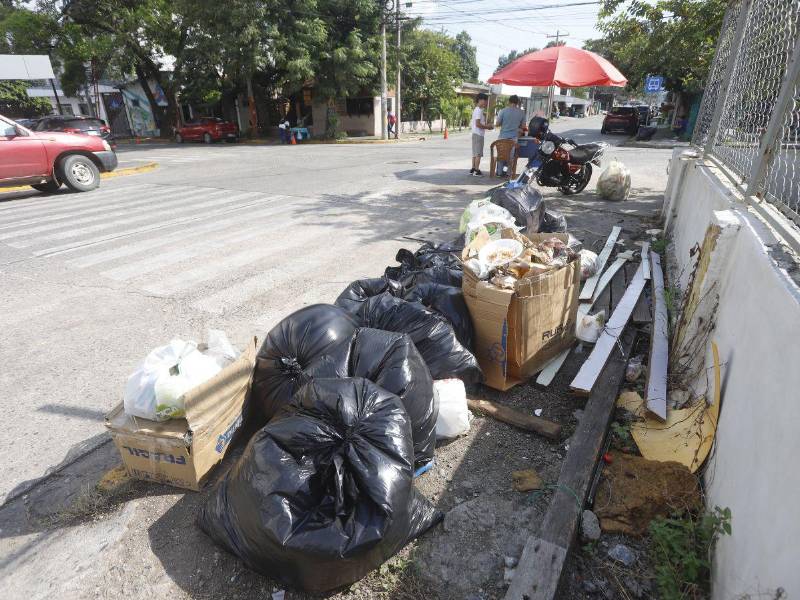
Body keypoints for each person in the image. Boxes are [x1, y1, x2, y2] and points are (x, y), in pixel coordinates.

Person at [494, 94, 526, 176]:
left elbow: (497, 124)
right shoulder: (521, 112)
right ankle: (508, 173)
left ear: (509, 101)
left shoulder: (503, 111)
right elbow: (523, 127)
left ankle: (499, 173)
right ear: (517, 102)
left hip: (502, 137)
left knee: (501, 156)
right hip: (513, 138)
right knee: (510, 157)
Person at [470, 93, 493, 176]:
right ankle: (476, 170)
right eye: (485, 100)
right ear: (481, 100)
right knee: (478, 153)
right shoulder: (479, 110)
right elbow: (478, 124)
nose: (486, 103)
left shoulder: (477, 109)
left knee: (475, 153)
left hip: (475, 133)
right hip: (478, 134)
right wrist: (488, 127)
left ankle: (473, 169)